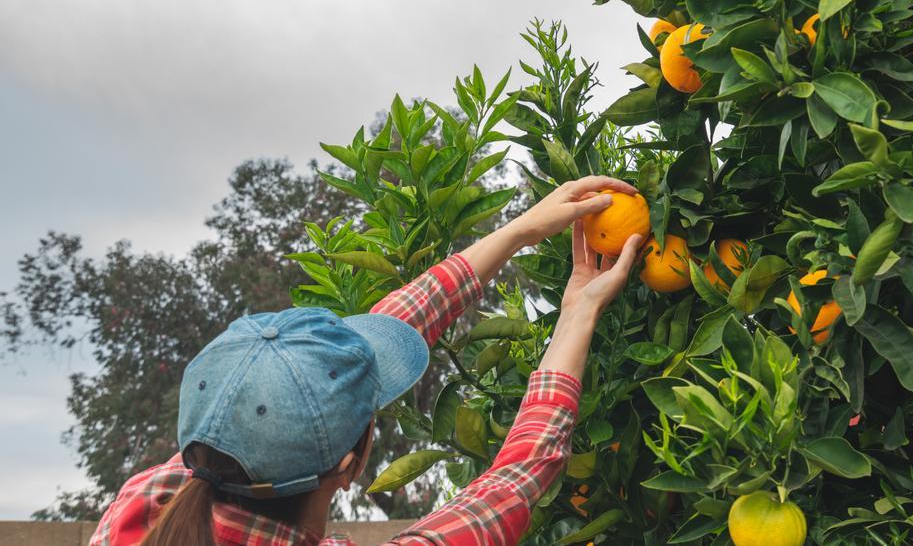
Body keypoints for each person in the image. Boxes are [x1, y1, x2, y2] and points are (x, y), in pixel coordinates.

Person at [90, 176, 645, 546]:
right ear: (349, 466)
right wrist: (577, 308)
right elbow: (515, 480)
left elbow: (514, 478)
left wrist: (519, 232)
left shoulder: (145, 504)